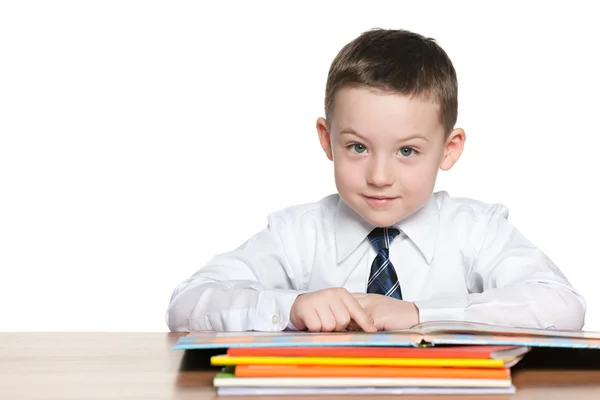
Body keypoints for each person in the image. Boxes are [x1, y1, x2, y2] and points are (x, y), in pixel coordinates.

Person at [165, 28, 586, 333]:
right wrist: (289, 307)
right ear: (328, 140)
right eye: (358, 148)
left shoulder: (474, 231)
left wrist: (422, 313)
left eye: (407, 151)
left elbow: (562, 306)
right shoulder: (299, 234)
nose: (379, 177)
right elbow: (188, 303)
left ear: (449, 149)